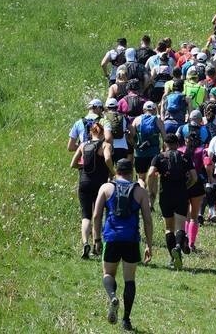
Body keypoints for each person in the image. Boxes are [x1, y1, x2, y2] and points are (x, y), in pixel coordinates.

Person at [92, 158, 154, 331]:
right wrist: (149, 244)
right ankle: (126, 320)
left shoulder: (106, 188)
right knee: (130, 280)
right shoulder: (140, 191)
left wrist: (96, 239)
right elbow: (148, 221)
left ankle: (112, 296)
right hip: (131, 240)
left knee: (108, 274)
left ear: (116, 171)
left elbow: (96, 215)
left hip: (111, 238)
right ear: (131, 171)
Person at [147, 134, 197, 270]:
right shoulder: (184, 157)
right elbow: (194, 177)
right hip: (181, 193)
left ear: (165, 143)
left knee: (169, 228)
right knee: (180, 226)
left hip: (165, 194)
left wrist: (151, 190)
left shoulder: (159, 157)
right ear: (177, 143)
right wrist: (187, 186)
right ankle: (179, 247)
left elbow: (151, 174)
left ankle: (173, 258)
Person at [71, 122, 113, 259]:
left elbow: (73, 164)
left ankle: (85, 243)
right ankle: (97, 244)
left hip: (84, 182)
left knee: (86, 215)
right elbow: (107, 158)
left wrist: (82, 168)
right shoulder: (105, 145)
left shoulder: (83, 145)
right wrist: (112, 172)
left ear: (90, 133)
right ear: (102, 133)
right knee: (98, 214)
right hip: (99, 184)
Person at [129, 101, 166, 207]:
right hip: (154, 153)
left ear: (144, 109)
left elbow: (131, 135)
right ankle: (151, 203)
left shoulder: (137, 119)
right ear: (154, 109)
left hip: (139, 154)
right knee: (153, 177)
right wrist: (164, 151)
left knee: (141, 177)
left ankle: (141, 198)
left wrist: (135, 146)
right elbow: (164, 137)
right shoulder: (157, 119)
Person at [102, 98, 131, 165]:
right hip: (123, 146)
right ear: (117, 106)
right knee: (121, 171)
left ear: (107, 107)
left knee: (109, 170)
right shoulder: (123, 117)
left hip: (108, 147)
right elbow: (132, 131)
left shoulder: (103, 117)